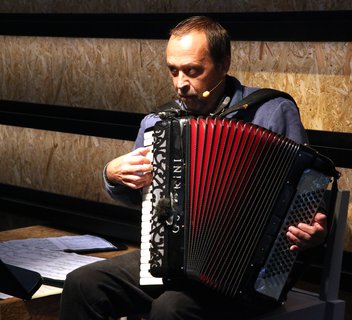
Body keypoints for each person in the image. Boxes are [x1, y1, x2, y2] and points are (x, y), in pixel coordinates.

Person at [59, 16, 327, 320]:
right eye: (173, 71)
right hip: (168, 258)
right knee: (83, 284)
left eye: (193, 71)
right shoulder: (158, 123)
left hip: (248, 273)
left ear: (224, 64)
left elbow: (307, 193)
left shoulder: (272, 111)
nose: (181, 84)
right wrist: (113, 174)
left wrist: (313, 230)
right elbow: (137, 198)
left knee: (170, 308)